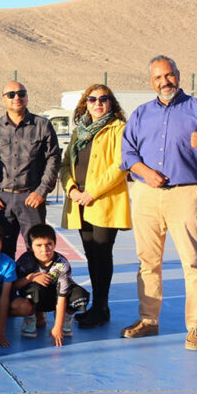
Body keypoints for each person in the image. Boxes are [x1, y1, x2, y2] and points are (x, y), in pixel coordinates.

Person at [120, 55, 197, 351]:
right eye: (158, 77)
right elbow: (127, 153)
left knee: (194, 262)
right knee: (148, 262)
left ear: (178, 74)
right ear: (151, 82)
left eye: (169, 75)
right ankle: (148, 320)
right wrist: (146, 173)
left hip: (186, 194)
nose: (164, 82)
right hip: (147, 195)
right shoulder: (140, 114)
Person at [59, 85, 130, 328]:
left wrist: (92, 192)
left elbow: (121, 165)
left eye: (103, 99)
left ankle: (101, 307)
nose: (98, 103)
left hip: (103, 202)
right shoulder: (80, 132)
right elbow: (65, 164)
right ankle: (97, 307)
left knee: (102, 253)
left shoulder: (118, 128)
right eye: (92, 99)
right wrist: (72, 189)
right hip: (80, 201)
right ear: (85, 104)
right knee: (90, 253)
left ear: (111, 103)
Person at [0, 82, 61, 257]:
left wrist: (41, 191)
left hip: (32, 198)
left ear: (27, 97)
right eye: (11, 94)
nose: (17, 97)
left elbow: (53, 160)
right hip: (3, 199)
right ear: (3, 99)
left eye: (21, 93)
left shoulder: (42, 126)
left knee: (37, 249)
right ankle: (8, 285)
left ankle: (35, 284)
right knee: (3, 250)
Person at [11, 224, 89, 346]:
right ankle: (31, 318)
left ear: (54, 244)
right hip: (38, 296)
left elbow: (62, 296)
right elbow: (14, 286)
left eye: (49, 244)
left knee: (81, 296)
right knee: (33, 290)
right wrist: (31, 277)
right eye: (39, 245)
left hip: (56, 296)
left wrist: (57, 327)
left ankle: (66, 319)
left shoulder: (61, 263)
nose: (45, 249)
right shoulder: (26, 261)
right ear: (31, 247)